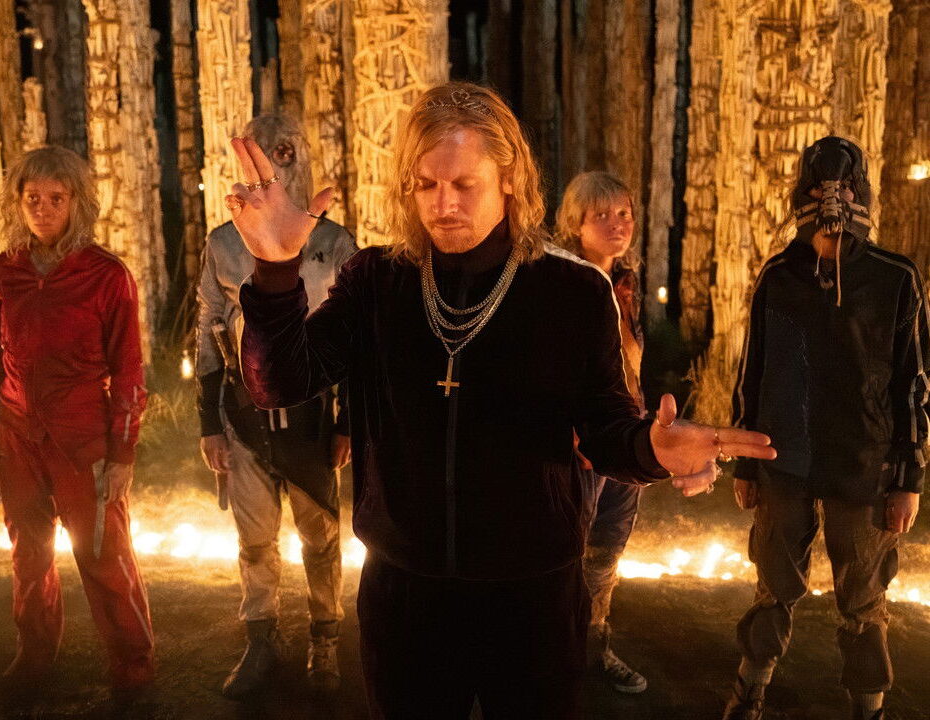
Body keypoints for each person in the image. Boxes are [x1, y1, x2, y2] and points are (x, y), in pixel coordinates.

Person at [227, 81, 775, 719]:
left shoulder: (570, 291)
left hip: (533, 594)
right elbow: (277, 383)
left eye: (465, 184)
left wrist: (652, 449)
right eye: (426, 184)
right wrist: (275, 269)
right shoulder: (377, 280)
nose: (444, 204)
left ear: (510, 179)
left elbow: (604, 430)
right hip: (405, 593)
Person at [724, 136, 926, 720]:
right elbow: (754, 369)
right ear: (803, 195)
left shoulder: (894, 278)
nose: (833, 201)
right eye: (820, 189)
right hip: (782, 457)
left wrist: (908, 476)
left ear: (861, 196)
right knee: (773, 583)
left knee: (862, 596)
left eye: (845, 189)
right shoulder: (780, 275)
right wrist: (745, 461)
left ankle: (868, 707)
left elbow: (913, 381)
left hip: (863, 462)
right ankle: (750, 689)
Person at [195, 113, 356, 698]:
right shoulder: (223, 243)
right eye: (262, 154)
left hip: (312, 418)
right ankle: (262, 638)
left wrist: (347, 422)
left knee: (321, 536)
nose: (274, 166)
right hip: (244, 416)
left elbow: (354, 338)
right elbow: (209, 328)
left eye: (284, 152)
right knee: (255, 538)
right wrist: (209, 423)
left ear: (301, 157)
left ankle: (325, 638)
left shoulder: (333, 243)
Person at [0, 146, 153, 696]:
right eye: (32, 198)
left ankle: (133, 665)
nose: (42, 209)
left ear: (77, 203)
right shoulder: (3, 272)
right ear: (17, 203)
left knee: (103, 553)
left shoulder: (106, 276)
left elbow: (129, 368)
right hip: (16, 435)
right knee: (29, 555)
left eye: (56, 199)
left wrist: (123, 452)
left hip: (84, 437)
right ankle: (35, 655)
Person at [554, 170, 647, 694]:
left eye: (625, 214)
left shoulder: (624, 285)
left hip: (624, 439)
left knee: (608, 549)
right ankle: (553, 654)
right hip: (581, 447)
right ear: (576, 223)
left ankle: (593, 646)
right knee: (568, 549)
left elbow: (630, 366)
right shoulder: (562, 285)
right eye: (602, 216)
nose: (618, 224)